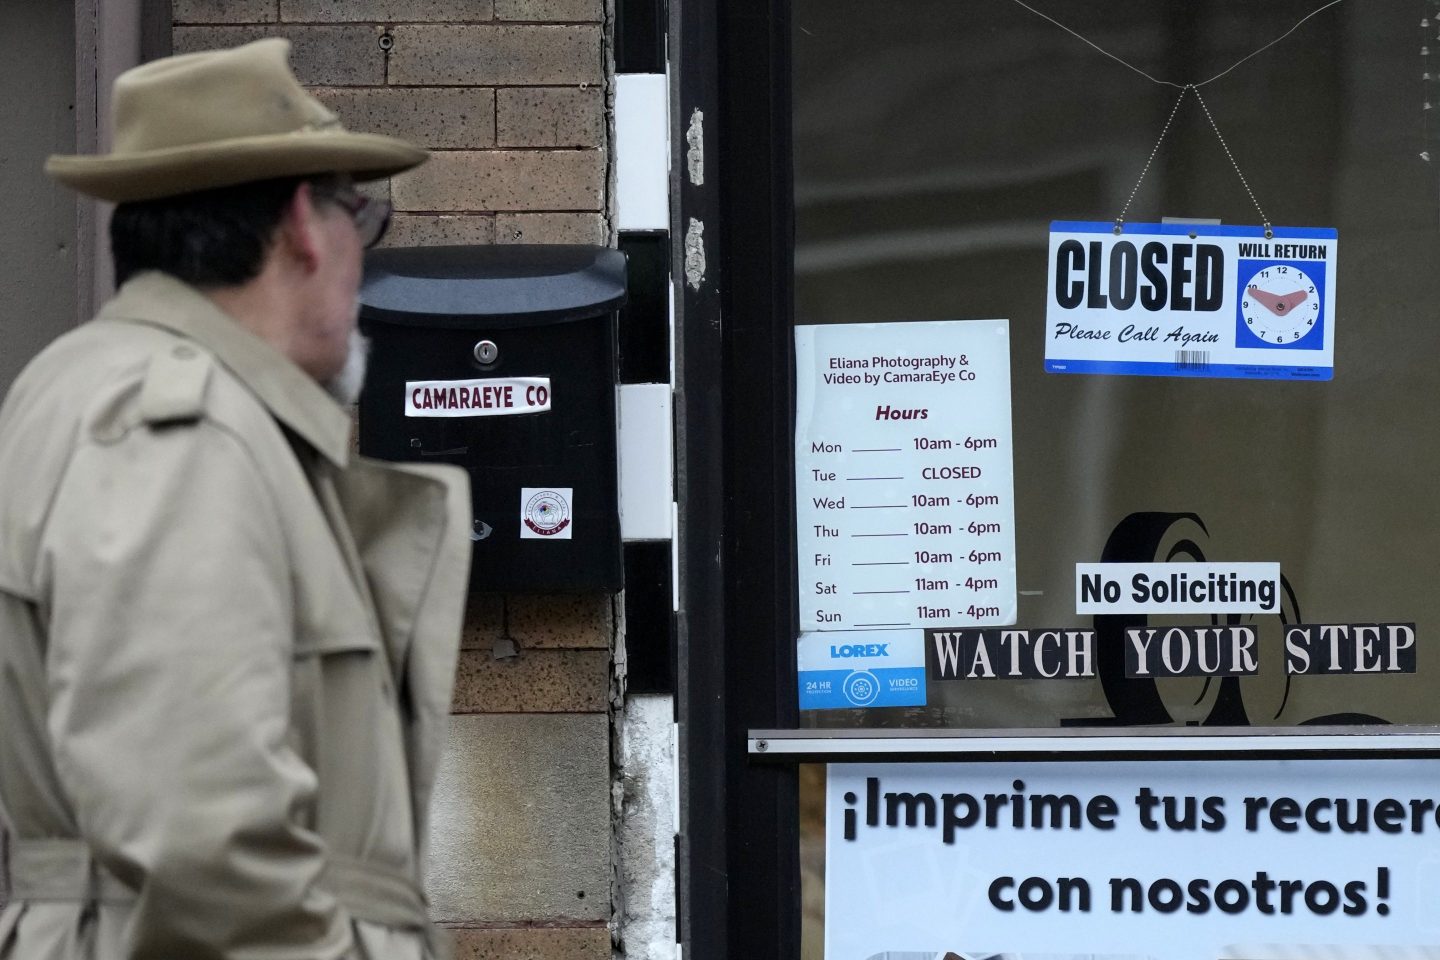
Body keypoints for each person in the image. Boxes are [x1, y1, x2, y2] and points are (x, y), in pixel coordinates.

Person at [0, 39, 471, 960]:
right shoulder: (181, 427)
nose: (360, 264)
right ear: (304, 221)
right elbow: (205, 838)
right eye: (359, 219)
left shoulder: (108, 387)